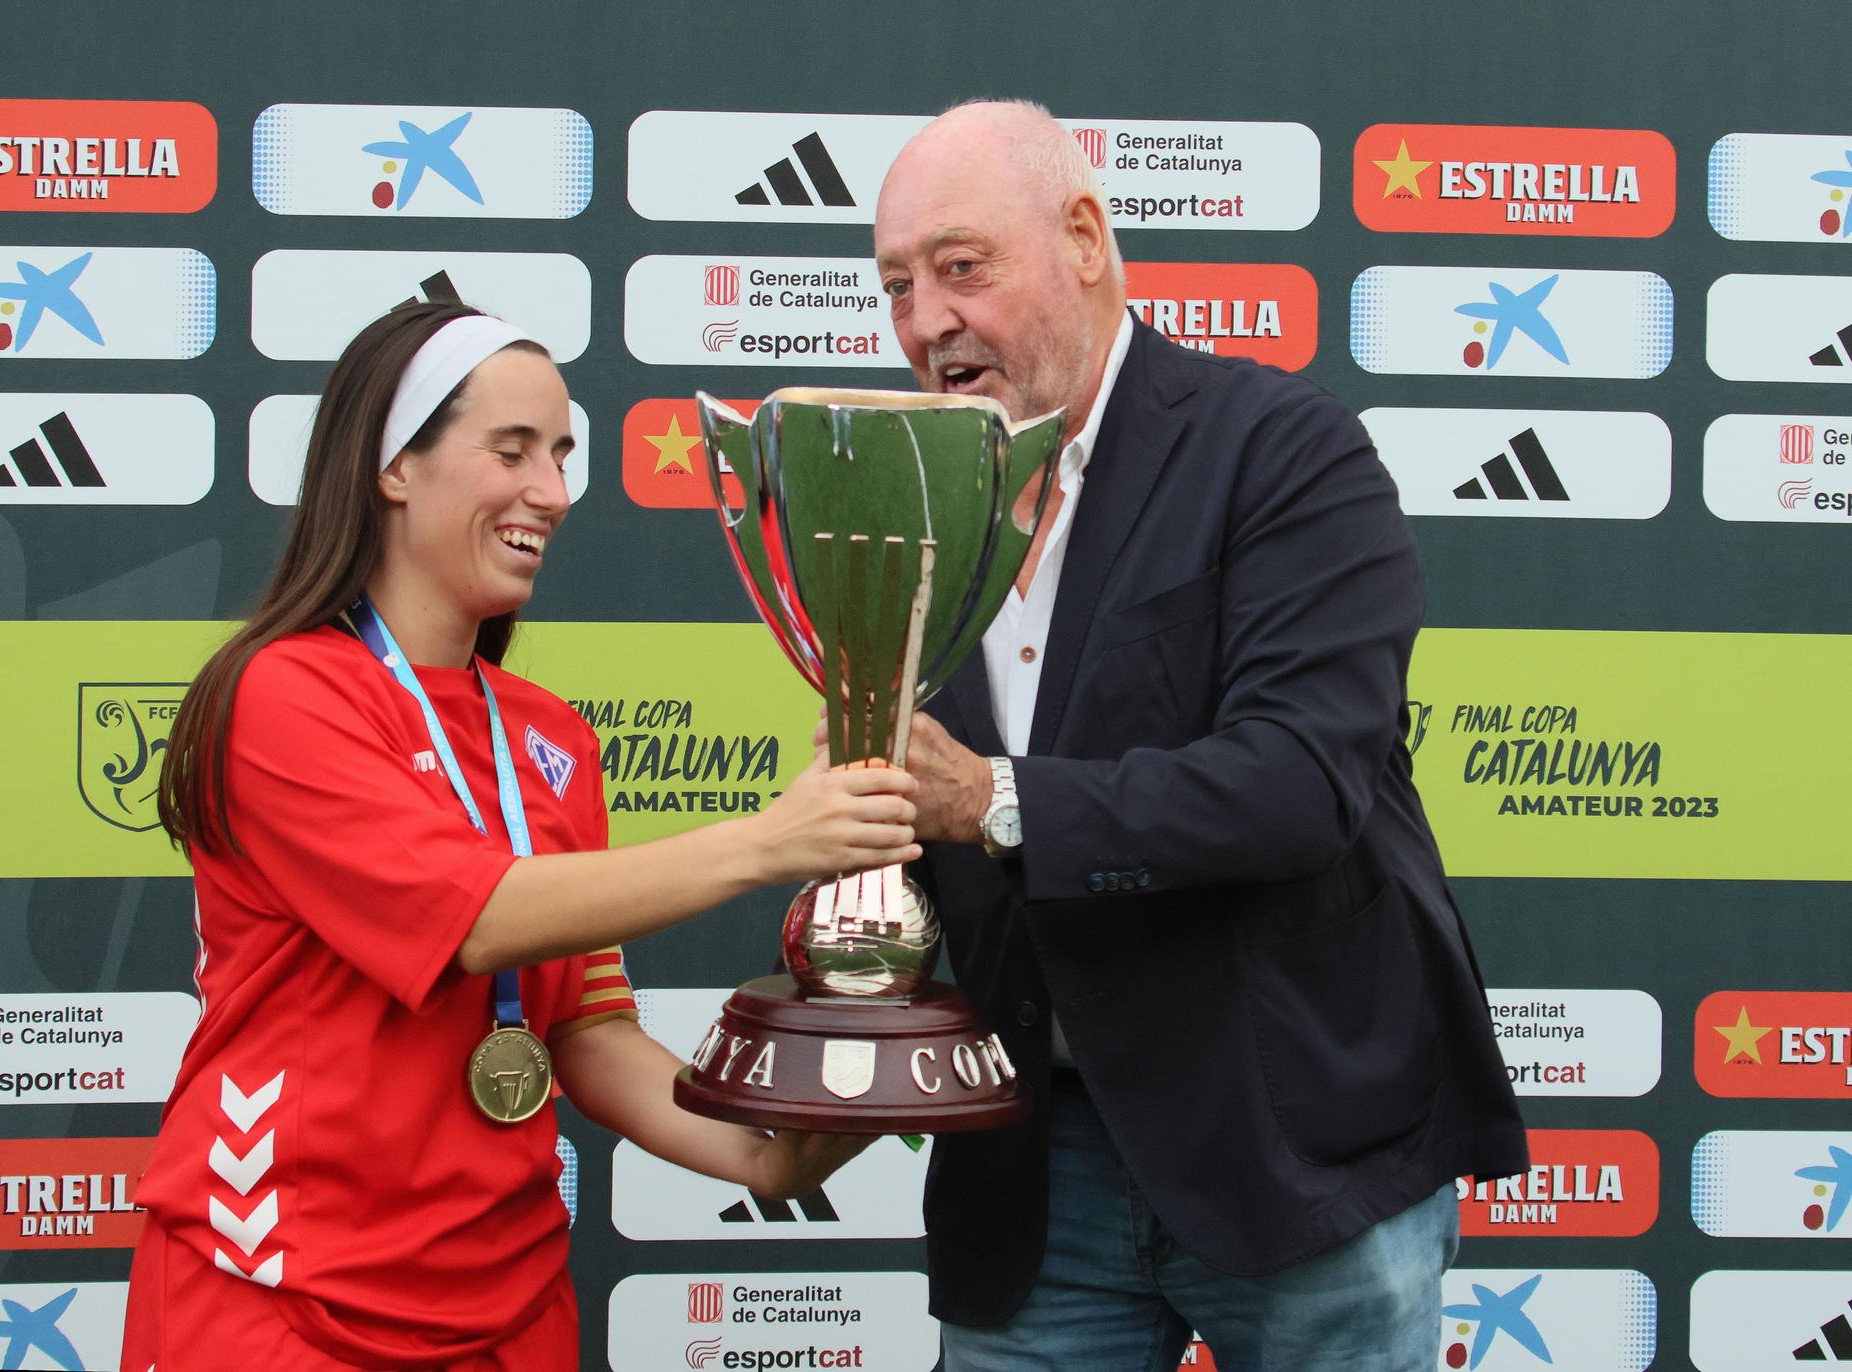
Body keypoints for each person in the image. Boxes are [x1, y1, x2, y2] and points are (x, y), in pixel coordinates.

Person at [122, 301, 918, 1371]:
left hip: (508, 1300)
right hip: (283, 1294)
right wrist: (772, 840)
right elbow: (476, 919)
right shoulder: (282, 695)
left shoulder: (547, 739)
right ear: (394, 466)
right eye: (512, 451)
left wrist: (755, 1158)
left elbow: (584, 1033)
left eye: (561, 455)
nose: (551, 491)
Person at [873, 101, 1528, 1371]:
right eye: (897, 284)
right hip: (1030, 1165)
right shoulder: (904, 504)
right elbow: (917, 822)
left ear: (1081, 238)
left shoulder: (1282, 450)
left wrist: (992, 800)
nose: (924, 322)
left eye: (960, 268)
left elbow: (1294, 783)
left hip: (1289, 1148)